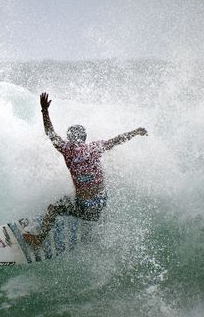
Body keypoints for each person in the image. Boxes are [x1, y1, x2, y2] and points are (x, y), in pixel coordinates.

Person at [23, 92, 147, 246]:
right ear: (84, 138)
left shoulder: (66, 149)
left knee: (54, 208)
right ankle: (89, 231)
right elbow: (116, 140)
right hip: (101, 204)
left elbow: (50, 133)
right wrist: (135, 132)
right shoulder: (94, 148)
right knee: (82, 192)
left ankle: (39, 239)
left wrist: (45, 110)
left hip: (86, 210)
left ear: (69, 138)